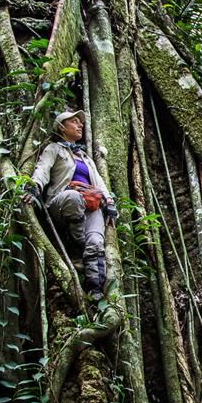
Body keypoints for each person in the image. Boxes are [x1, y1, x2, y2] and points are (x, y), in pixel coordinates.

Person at [24, 110, 117, 300]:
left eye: (80, 122)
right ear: (61, 127)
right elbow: (42, 169)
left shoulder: (86, 158)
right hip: (63, 202)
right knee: (73, 198)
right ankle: (76, 245)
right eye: (74, 122)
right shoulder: (54, 149)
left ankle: (95, 290)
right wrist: (33, 188)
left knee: (97, 241)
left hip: (91, 204)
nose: (80, 125)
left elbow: (99, 182)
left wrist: (109, 202)